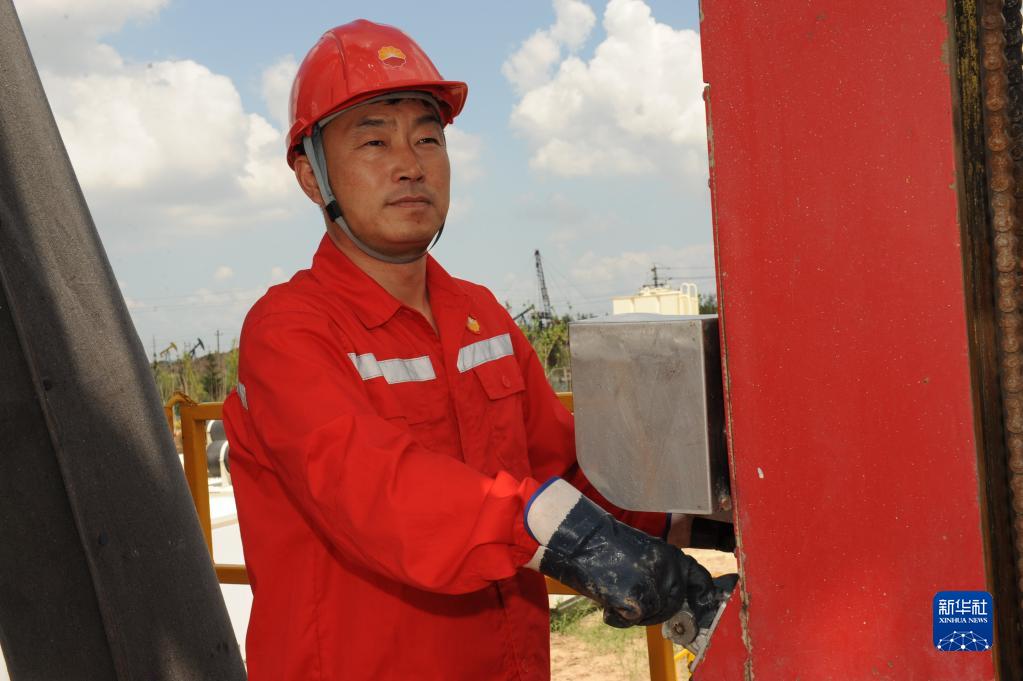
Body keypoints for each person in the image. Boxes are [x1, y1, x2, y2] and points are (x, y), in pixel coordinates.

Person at [223, 19, 727, 681]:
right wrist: (574, 540)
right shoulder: (288, 332)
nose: (410, 164)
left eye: (427, 138)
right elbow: (379, 492)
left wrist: (698, 519)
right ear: (311, 176)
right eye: (374, 140)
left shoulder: (478, 317)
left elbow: (567, 469)